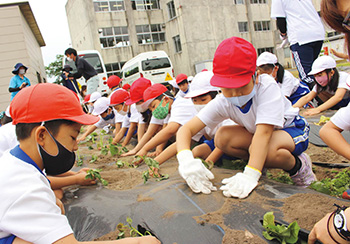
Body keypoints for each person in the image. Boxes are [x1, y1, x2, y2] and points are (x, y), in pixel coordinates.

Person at [0, 83, 159, 244]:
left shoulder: (13, 162)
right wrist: (139, 242)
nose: (75, 146)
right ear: (42, 135)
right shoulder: (25, 188)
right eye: (72, 137)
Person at [176, 37, 314, 199]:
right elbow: (186, 129)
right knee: (222, 137)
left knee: (268, 150)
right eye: (228, 88)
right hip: (261, 138)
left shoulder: (266, 87)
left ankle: (298, 166)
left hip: (291, 130)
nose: (235, 94)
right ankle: (258, 165)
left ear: (255, 77)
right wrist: (186, 159)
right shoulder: (223, 101)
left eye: (241, 85)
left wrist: (250, 174)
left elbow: (264, 134)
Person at [133, 83, 204, 161]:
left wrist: (145, 149)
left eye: (153, 106)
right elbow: (181, 141)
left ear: (166, 99)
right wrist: (157, 159)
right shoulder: (171, 110)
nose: (153, 112)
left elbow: (170, 130)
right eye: (151, 110)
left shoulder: (180, 105)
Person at [271, 0, 325, 89]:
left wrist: (283, 35)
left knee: (306, 76)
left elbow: (281, 20)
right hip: (317, 33)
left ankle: (323, 100)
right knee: (315, 71)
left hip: (301, 37)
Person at [121, 78, 170, 157]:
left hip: (171, 136)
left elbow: (166, 129)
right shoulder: (151, 108)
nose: (137, 105)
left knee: (159, 128)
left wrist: (158, 149)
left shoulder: (160, 105)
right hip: (166, 134)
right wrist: (138, 149)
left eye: (138, 102)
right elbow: (145, 130)